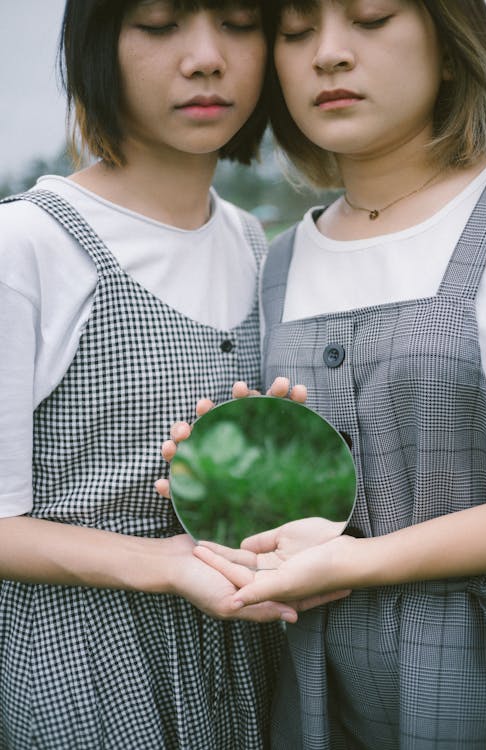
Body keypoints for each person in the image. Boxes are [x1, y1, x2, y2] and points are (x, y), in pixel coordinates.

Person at [190, 1, 486, 747]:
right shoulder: (275, 261)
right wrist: (227, 480)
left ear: (453, 46)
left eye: (369, 17)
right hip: (306, 692)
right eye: (295, 33)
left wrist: (366, 560)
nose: (327, 54)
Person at [0, 1, 306, 747]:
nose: (206, 57)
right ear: (99, 46)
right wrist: (162, 564)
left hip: (246, 649)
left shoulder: (252, 241)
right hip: (86, 661)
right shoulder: (28, 245)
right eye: (160, 24)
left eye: (238, 23)